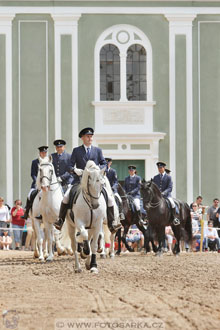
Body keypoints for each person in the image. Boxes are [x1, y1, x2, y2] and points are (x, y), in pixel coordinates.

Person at [54, 127, 122, 234]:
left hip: (95, 182)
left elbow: (104, 163)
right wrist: (75, 170)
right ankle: (60, 220)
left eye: (91, 136)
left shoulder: (97, 150)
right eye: (88, 136)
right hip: (79, 181)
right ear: (82, 138)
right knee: (66, 197)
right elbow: (69, 166)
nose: (90, 138)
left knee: (109, 198)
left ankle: (111, 223)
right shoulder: (77, 150)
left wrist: (99, 169)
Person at [22, 146, 49, 219]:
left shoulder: (48, 162)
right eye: (42, 152)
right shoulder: (35, 162)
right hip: (36, 183)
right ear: (40, 153)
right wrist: (37, 181)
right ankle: (26, 212)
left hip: (46, 183)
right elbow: (33, 174)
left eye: (45, 152)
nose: (44, 154)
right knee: (29, 195)